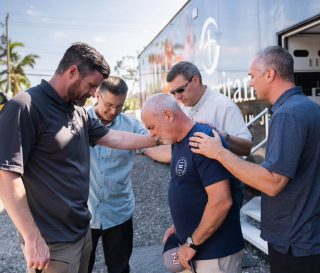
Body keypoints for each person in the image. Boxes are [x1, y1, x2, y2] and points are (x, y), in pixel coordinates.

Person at [0, 42, 158, 273]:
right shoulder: (25, 107)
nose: (95, 94)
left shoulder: (78, 112)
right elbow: (7, 175)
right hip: (51, 243)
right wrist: (32, 238)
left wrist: (157, 139)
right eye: (92, 85)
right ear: (72, 71)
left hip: (82, 232)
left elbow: (116, 138)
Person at [189, 46, 320, 273]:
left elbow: (272, 182)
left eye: (252, 76)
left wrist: (219, 152)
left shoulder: (288, 114)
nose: (250, 83)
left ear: (270, 74)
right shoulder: (309, 108)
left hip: (295, 242)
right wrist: (226, 139)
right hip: (308, 234)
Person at [141, 93, 244, 273]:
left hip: (214, 253)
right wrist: (180, 226)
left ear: (168, 115)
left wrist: (191, 243)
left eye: (152, 127)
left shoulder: (203, 140)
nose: (152, 134)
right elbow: (193, 190)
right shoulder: (179, 141)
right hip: (195, 250)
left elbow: (221, 202)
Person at [87, 76, 168, 273]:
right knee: (81, 268)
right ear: (97, 95)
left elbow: (155, 149)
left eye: (119, 106)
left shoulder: (132, 126)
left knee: (120, 268)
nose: (113, 111)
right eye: (109, 105)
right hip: (83, 215)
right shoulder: (80, 121)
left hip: (118, 212)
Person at [167, 61, 252, 157]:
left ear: (195, 80)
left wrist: (222, 136)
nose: (177, 97)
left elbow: (247, 148)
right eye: (173, 92)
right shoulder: (183, 108)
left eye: (180, 90)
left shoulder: (224, 106)